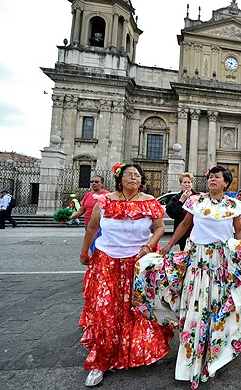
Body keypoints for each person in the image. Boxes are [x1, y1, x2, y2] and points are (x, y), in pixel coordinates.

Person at [133, 165, 241, 389]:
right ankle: (192, 359)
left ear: (226, 183)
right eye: (210, 177)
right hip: (198, 261)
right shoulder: (196, 202)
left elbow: (239, 229)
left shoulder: (234, 205)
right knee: (196, 309)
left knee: (218, 308)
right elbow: (185, 225)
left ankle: (213, 356)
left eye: (217, 177)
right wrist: (168, 247)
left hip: (222, 262)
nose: (212, 180)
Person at [78, 163, 172, 387]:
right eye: (129, 174)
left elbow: (159, 227)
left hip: (137, 264)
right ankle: (101, 361)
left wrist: (149, 246)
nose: (133, 178)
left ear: (142, 181)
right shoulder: (105, 200)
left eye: (137, 175)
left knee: (136, 309)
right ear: (120, 178)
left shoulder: (149, 202)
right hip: (106, 262)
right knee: (106, 310)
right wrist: (84, 252)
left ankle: (137, 350)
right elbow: (92, 228)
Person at [69, 176, 109, 253]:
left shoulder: (107, 195)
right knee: (92, 249)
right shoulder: (88, 195)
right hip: (88, 227)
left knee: (99, 251)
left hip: (101, 228)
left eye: (96, 182)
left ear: (102, 184)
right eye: (92, 181)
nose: (94, 183)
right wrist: (69, 217)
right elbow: (81, 210)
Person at [166, 173, 199, 251]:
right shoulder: (176, 197)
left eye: (189, 182)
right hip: (183, 234)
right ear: (181, 184)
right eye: (184, 182)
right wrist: (181, 200)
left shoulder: (198, 196)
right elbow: (172, 213)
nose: (187, 184)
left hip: (196, 232)